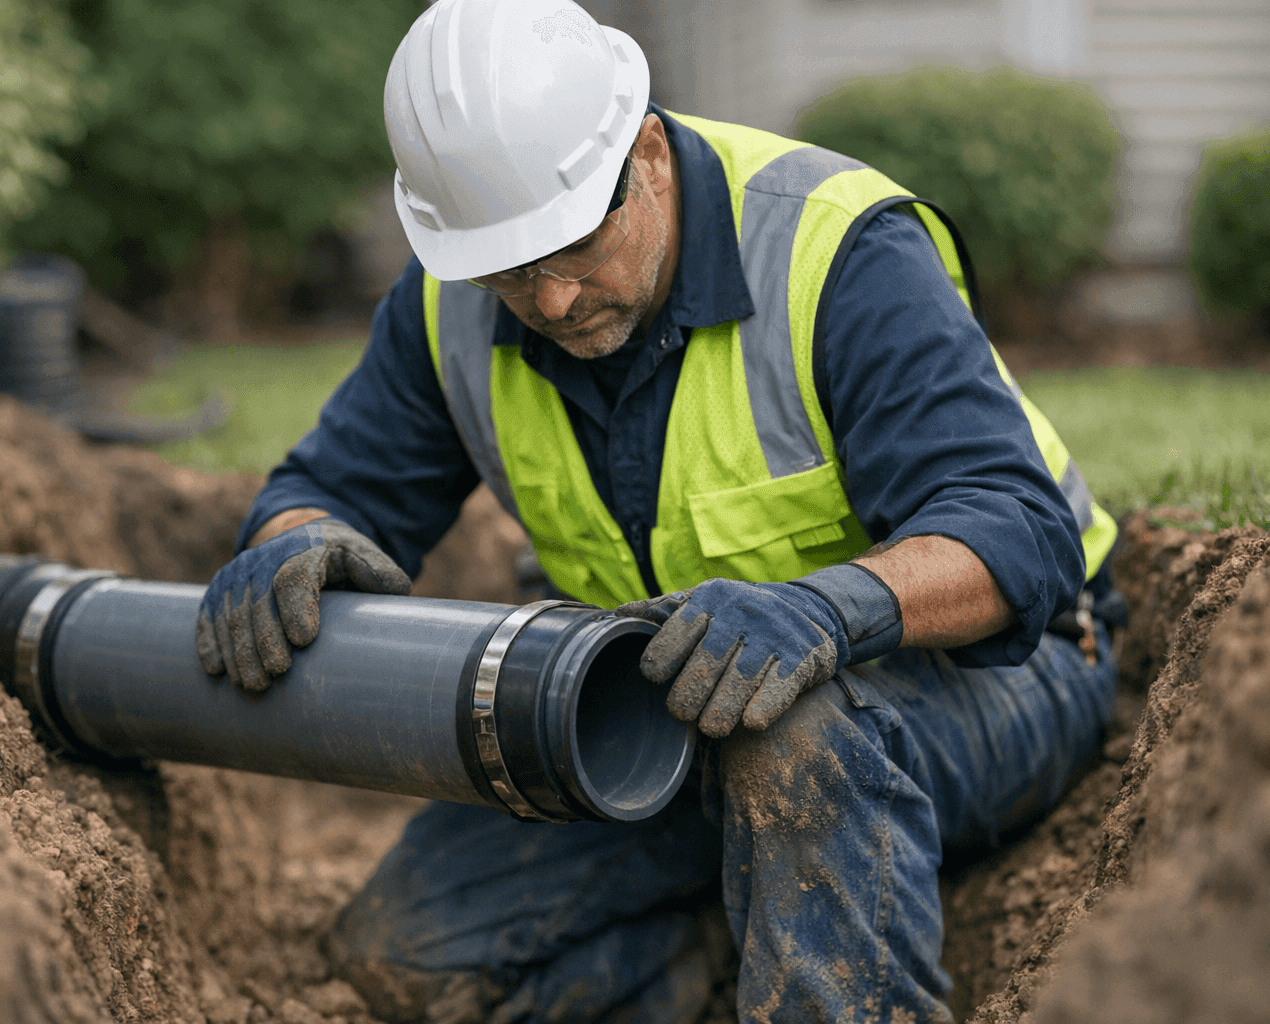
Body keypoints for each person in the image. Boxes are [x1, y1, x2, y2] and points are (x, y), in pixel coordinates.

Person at [195, 1, 1126, 1020]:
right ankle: (727, 949)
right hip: (661, 708)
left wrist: (824, 612)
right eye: (513, 268)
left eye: (574, 242)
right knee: (412, 950)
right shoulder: (447, 301)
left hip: (979, 681)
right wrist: (298, 543)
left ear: (647, 150)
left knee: (795, 732)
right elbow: (333, 491)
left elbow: (1015, 530)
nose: (551, 299)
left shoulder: (833, 249)